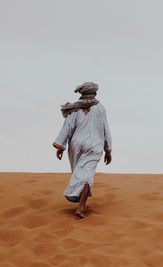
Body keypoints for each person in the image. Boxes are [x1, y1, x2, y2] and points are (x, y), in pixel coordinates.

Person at [53, 82, 112, 218]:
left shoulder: (75, 108)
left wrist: (60, 146)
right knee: (86, 174)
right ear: (94, 93)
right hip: (94, 145)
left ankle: (82, 205)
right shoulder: (100, 108)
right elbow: (105, 130)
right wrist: (108, 149)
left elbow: (67, 127)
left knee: (81, 173)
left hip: (76, 145)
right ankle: (81, 207)